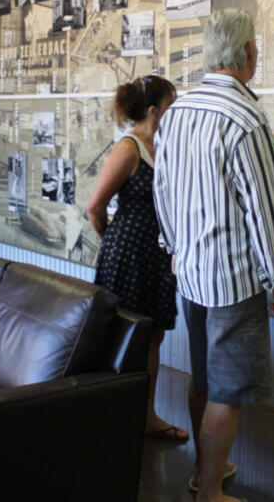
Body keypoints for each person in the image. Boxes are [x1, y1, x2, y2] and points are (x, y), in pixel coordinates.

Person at [153, 9, 274, 502]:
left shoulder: (177, 111)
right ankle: (211, 489)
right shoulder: (245, 117)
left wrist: (173, 246)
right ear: (248, 54)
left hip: (191, 274)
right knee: (227, 390)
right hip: (234, 281)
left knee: (203, 377)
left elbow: (164, 188)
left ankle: (204, 467)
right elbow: (267, 211)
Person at [87, 74, 187, 441]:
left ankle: (146, 417)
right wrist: (115, 241)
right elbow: (95, 207)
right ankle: (110, 415)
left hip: (157, 255)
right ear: (154, 110)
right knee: (122, 335)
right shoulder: (128, 149)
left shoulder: (167, 146)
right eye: (172, 102)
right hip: (128, 253)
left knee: (153, 336)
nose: (176, 108)